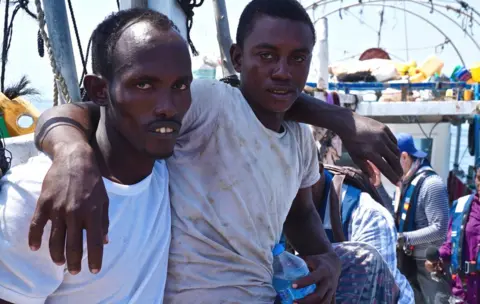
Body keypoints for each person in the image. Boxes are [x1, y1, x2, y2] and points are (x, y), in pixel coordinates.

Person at [29, 1, 402, 303]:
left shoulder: (300, 139)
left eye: (298, 58)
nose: (283, 72)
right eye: (267, 56)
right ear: (237, 59)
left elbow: (301, 212)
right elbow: (89, 111)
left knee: (366, 266)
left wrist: (326, 259)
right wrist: (72, 155)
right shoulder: (210, 103)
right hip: (193, 294)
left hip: (262, 291)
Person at [0, 9, 189, 303]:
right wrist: (70, 153)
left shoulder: (168, 168)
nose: (168, 106)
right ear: (100, 90)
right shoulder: (38, 194)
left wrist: (71, 149)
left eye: (180, 86)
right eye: (143, 85)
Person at [377, 132, 450, 304]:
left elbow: (440, 229)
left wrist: (403, 238)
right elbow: (393, 218)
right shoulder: (405, 183)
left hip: (426, 266)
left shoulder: (432, 184)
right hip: (407, 262)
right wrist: (378, 186)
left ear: (404, 156)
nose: (388, 166)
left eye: (389, 161)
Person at [426, 167, 480, 304]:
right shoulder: (460, 205)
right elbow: (450, 243)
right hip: (461, 291)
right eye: (479, 178)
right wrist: (437, 258)